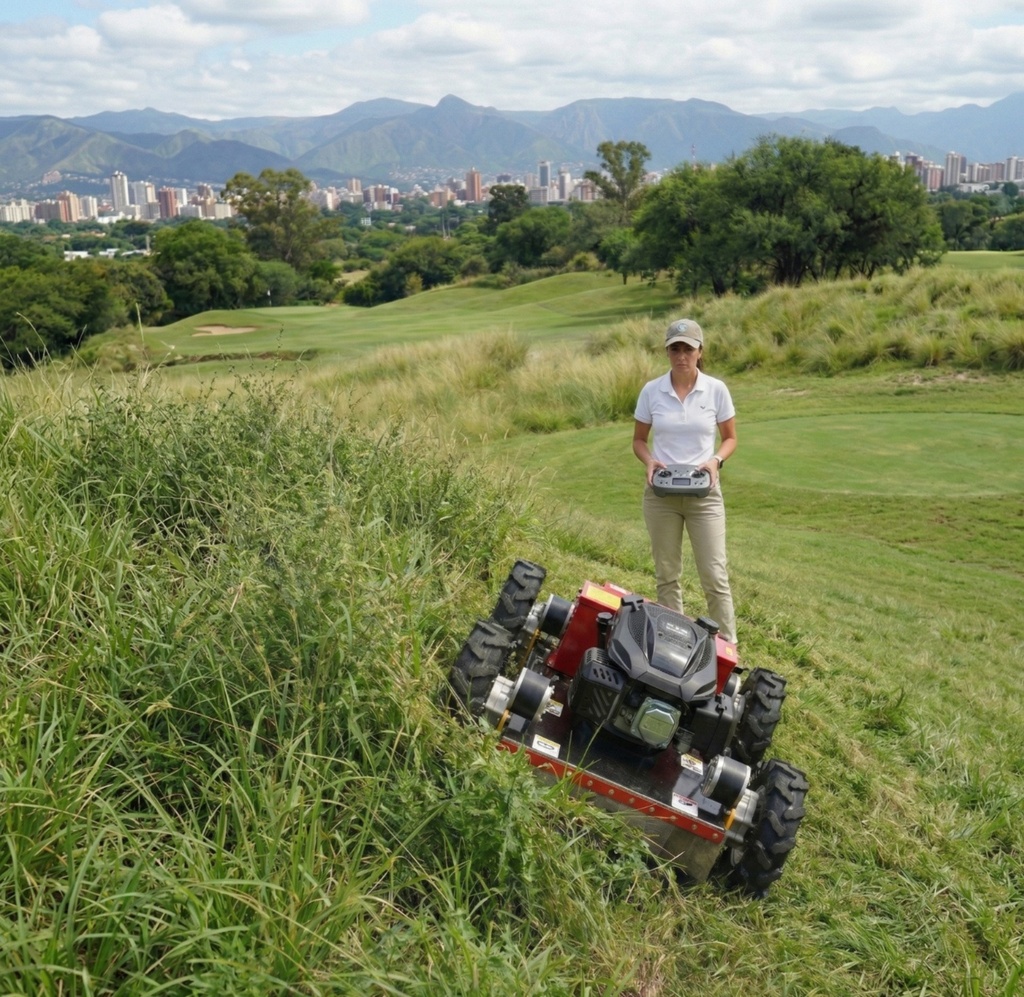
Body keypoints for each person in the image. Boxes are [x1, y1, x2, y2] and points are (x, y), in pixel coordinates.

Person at [632, 318, 738, 643]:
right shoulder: (652, 391)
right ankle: (673, 645)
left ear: (699, 351)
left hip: (704, 495)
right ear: (667, 352)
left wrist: (716, 460)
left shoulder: (716, 390)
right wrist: (649, 461)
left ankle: (727, 651)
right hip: (661, 496)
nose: (681, 356)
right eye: (675, 349)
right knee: (667, 575)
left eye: (688, 349)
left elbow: (730, 438)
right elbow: (639, 440)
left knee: (714, 576)